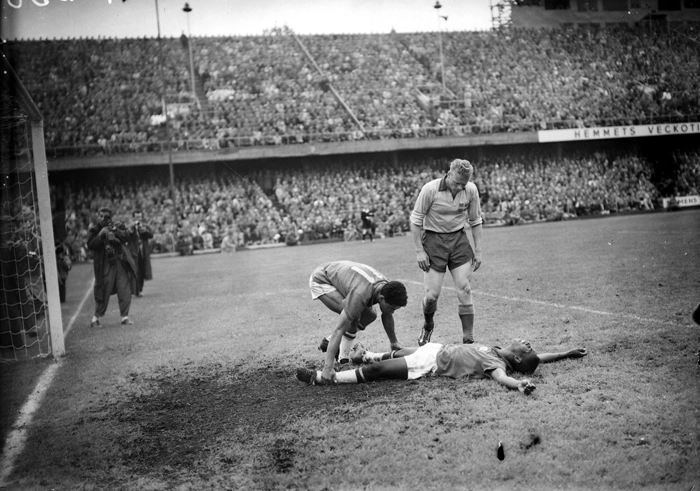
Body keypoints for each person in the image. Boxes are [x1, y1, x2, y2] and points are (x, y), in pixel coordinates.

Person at [296, 338, 588, 394]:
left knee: (378, 372)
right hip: (437, 348)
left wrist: (519, 384)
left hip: (431, 362)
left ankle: (323, 379)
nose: (527, 342)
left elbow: (502, 379)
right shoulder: (498, 349)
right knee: (392, 352)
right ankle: (365, 355)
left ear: (518, 360)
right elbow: (542, 357)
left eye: (528, 348)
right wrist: (567, 353)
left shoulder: (495, 362)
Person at [410, 159, 483, 346]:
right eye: (456, 182)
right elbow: (416, 220)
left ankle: (469, 340)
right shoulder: (430, 189)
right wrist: (419, 251)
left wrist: (479, 250)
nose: (459, 187)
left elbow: (475, 221)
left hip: (458, 239)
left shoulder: (471, 190)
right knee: (432, 296)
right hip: (434, 240)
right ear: (449, 174)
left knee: (465, 289)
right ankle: (428, 325)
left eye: (463, 184)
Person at [310, 260, 408, 384]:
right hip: (322, 280)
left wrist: (394, 342)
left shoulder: (386, 287)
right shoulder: (361, 294)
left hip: (336, 273)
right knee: (353, 316)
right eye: (391, 308)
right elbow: (339, 329)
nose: (392, 312)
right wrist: (327, 368)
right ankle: (343, 360)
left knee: (371, 315)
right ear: (381, 299)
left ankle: (328, 342)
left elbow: (387, 315)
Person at [87, 207, 137, 327]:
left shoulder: (117, 225)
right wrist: (101, 235)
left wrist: (116, 231)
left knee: (124, 288)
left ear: (111, 217)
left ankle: (125, 317)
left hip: (119, 261)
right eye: (102, 216)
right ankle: (95, 318)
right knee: (102, 290)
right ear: (98, 216)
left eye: (107, 216)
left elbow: (126, 237)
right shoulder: (95, 229)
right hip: (105, 264)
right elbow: (90, 245)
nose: (104, 219)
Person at [127, 210, 153, 297]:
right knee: (134, 271)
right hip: (133, 252)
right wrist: (129, 232)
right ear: (133, 218)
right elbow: (124, 237)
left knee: (142, 271)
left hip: (142, 252)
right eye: (136, 217)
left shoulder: (144, 226)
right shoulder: (130, 226)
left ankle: (139, 290)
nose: (138, 219)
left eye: (140, 217)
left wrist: (145, 231)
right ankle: (133, 289)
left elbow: (151, 235)